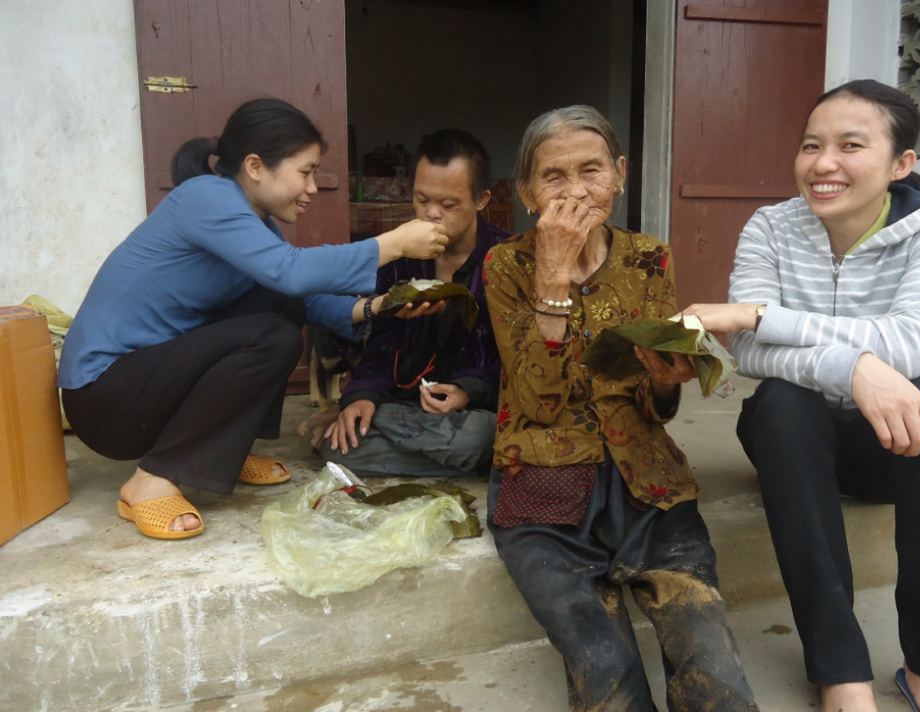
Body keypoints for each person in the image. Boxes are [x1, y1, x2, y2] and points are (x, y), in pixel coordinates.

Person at [685, 80, 920, 712]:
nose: (823, 164)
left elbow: (913, 342)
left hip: (896, 449)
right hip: (799, 446)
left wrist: (764, 314)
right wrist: (852, 367)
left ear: (900, 164)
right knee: (780, 404)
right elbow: (746, 353)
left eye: (851, 145)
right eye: (811, 145)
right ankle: (840, 669)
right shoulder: (771, 226)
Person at [59, 98, 449, 540]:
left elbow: (298, 292)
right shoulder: (206, 197)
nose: (312, 187)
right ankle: (151, 478)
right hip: (105, 398)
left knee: (280, 304)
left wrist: (382, 306)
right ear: (255, 166)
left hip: (148, 382)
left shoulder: (255, 223)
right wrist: (394, 242)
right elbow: (291, 269)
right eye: (305, 171)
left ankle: (225, 443)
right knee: (273, 336)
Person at [483, 106, 758, 712]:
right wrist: (553, 279)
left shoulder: (649, 259)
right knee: (605, 674)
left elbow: (653, 408)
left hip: (648, 482)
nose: (576, 190)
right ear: (527, 191)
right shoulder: (506, 265)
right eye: (553, 176)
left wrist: (665, 383)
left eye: (592, 169)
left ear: (621, 174)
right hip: (544, 488)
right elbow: (539, 402)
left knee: (715, 673)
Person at [321, 129, 510, 478]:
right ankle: (461, 461)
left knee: (477, 437)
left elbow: (520, 361)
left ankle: (467, 453)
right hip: (407, 401)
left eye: (449, 205)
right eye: (422, 201)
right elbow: (384, 341)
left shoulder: (509, 260)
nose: (431, 215)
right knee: (339, 444)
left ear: (482, 199)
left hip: (474, 411)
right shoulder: (400, 255)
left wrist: (467, 391)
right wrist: (363, 395)